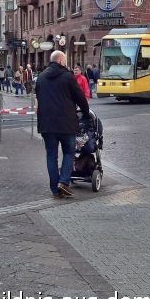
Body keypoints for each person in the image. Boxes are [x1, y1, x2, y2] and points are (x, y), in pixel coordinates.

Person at [36, 50, 91, 199]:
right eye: (65, 61)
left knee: (51, 156)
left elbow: (39, 98)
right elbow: (80, 98)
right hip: (66, 124)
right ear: (60, 61)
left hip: (47, 125)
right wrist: (86, 114)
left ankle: (55, 189)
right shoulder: (68, 77)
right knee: (69, 152)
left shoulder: (40, 77)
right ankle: (63, 182)